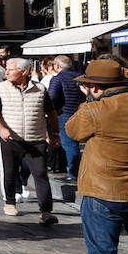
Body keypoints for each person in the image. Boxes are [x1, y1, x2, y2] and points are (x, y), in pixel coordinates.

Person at [65, 59, 128, 254]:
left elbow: (73, 131)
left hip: (102, 193)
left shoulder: (94, 110)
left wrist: (88, 100)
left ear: (96, 87)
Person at [0, 57, 60, 225]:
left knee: (41, 175)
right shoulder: (1, 88)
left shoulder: (40, 89)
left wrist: (55, 133)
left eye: (10, 70)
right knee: (10, 173)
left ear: (24, 72)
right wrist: (1, 129)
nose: (6, 72)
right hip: (11, 140)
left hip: (36, 140)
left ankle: (46, 211)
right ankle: (10, 202)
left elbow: (52, 113)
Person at [48, 54, 85, 182]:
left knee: (70, 145)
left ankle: (74, 173)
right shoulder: (80, 77)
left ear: (57, 66)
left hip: (65, 113)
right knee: (75, 144)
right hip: (81, 113)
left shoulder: (58, 79)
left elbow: (51, 97)